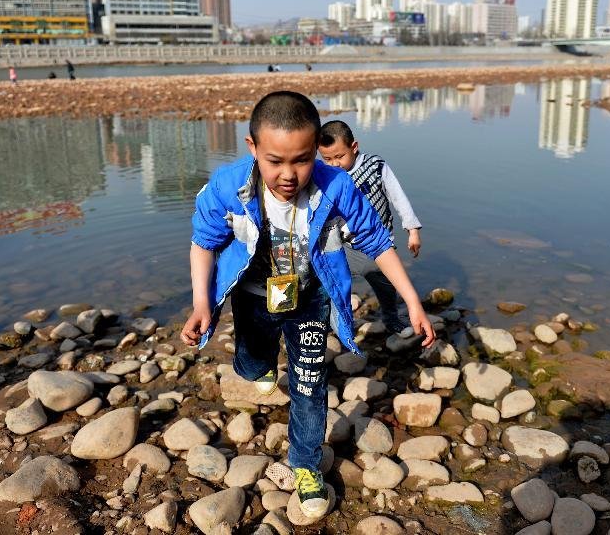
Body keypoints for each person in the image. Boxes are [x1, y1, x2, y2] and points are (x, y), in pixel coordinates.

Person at [180, 91, 436, 520]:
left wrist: (412, 301)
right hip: (252, 299)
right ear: (252, 147)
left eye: (300, 159)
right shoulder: (228, 187)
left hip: (310, 299)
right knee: (249, 363)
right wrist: (201, 302)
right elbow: (203, 243)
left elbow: (377, 242)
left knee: (309, 384)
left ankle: (305, 464)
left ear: (315, 146)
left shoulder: (337, 186)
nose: (288, 174)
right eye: (275, 160)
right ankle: (257, 368)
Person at [318, 120, 422, 333]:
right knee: (331, 281)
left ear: (354, 147)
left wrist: (412, 230)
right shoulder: (327, 176)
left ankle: (391, 318)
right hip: (345, 243)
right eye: (327, 158)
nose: (334, 164)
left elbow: (397, 197)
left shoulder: (375, 166)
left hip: (379, 242)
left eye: (339, 157)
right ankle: (332, 321)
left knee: (385, 284)